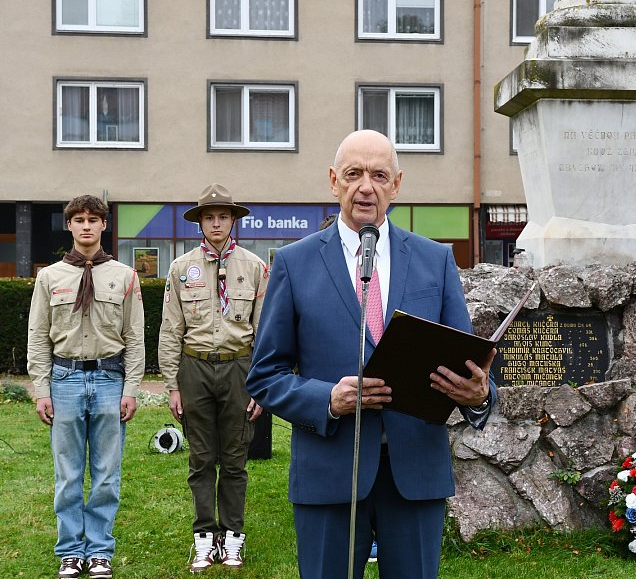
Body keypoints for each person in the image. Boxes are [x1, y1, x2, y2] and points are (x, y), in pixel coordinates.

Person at [247, 130, 497, 579]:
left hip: (415, 474)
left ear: (397, 184)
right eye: (354, 174)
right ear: (333, 181)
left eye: (379, 175)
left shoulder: (435, 261)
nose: (367, 186)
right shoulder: (294, 263)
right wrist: (327, 399)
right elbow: (265, 375)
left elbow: (469, 363)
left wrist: (478, 394)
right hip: (330, 473)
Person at [27, 195, 145, 579]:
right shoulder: (49, 277)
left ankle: (99, 552)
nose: (87, 226)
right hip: (65, 379)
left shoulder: (125, 276)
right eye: (79, 219)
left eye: (94, 219)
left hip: (110, 380)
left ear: (104, 226)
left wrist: (132, 388)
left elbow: (135, 336)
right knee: (68, 473)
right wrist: (41, 389)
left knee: (107, 473)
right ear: (70, 226)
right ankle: (69, 552)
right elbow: (38, 336)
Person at [158, 184, 268, 572]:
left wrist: (261, 385)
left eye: (223, 216)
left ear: (233, 220)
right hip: (195, 368)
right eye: (209, 216)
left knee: (236, 460)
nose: (216, 223)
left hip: (240, 368)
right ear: (200, 222)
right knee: (201, 459)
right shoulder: (180, 268)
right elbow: (171, 330)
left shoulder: (254, 267)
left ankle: (232, 537)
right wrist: (172, 385)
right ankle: (205, 537)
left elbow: (264, 333)